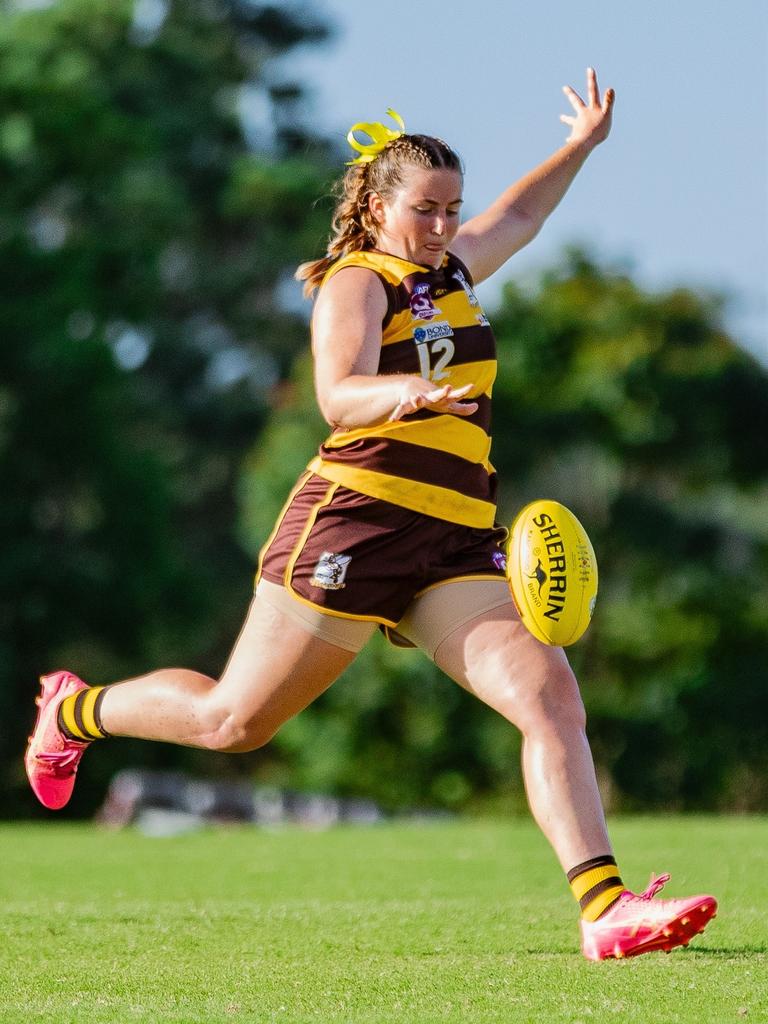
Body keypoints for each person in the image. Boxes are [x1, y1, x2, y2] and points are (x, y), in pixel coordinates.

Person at [26, 69, 717, 960]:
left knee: (550, 698)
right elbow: (335, 394)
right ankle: (76, 712)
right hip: (354, 523)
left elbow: (522, 216)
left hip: (456, 540)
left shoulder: (454, 269)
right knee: (234, 723)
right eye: (425, 209)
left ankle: (605, 908)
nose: (441, 226)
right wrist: (407, 396)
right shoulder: (358, 280)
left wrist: (580, 146)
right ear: (380, 207)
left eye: (450, 207)